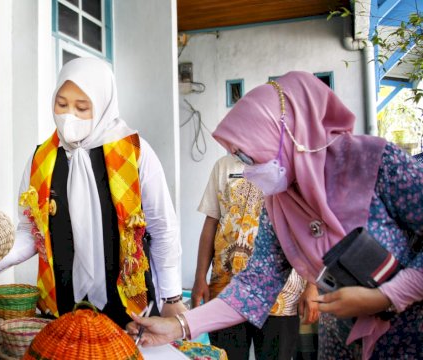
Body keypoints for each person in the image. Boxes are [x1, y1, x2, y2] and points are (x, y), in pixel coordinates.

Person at [128, 71, 423, 360]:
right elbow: (255, 285)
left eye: (247, 155)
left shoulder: (377, 163)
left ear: (286, 135)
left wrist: (386, 296)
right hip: (344, 337)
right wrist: (176, 326)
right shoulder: (281, 203)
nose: (247, 168)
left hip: (411, 331)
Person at [0, 57, 185, 326]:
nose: (68, 115)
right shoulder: (43, 159)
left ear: (103, 105)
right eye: (61, 104)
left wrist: (172, 297)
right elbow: (30, 232)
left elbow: (163, 228)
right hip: (63, 304)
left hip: (130, 308)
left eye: (81, 107)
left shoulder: (134, 154)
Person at [192, 154, 319, 360]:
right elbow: (210, 224)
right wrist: (200, 278)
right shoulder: (223, 166)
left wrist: (312, 286)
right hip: (227, 291)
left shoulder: (293, 166)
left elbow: (310, 230)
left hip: (281, 296)